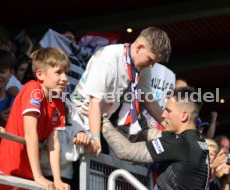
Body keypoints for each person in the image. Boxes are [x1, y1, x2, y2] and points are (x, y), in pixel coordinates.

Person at [71, 26, 171, 154]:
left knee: (102, 166)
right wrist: (95, 139)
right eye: (150, 59)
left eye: (154, 62)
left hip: (102, 119)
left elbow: (147, 98)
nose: (151, 65)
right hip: (80, 117)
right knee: (84, 163)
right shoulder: (108, 58)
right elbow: (94, 102)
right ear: (139, 48)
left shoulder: (143, 67)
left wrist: (166, 123)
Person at [0, 48, 70, 190]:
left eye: (66, 73)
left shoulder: (57, 99)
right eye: (58, 72)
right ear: (40, 74)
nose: (65, 79)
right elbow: (30, 133)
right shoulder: (33, 88)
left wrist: (57, 180)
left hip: (26, 176)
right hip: (2, 171)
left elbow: (53, 141)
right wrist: (38, 177)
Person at [102, 86, 210, 189]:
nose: (163, 115)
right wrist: (142, 125)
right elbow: (158, 136)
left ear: (183, 116)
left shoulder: (180, 143)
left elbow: (125, 151)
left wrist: (101, 117)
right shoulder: (197, 141)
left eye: (168, 110)